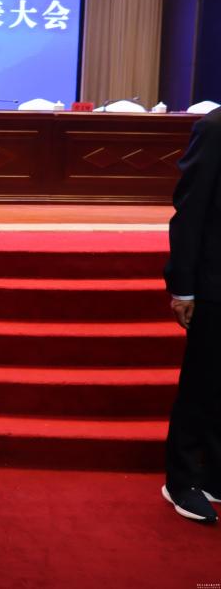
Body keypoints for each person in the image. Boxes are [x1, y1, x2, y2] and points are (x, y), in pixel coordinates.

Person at [162, 105, 221, 523]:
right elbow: (190, 209)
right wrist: (183, 286)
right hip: (214, 284)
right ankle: (181, 481)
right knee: (201, 384)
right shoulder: (215, 128)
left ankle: (216, 475)